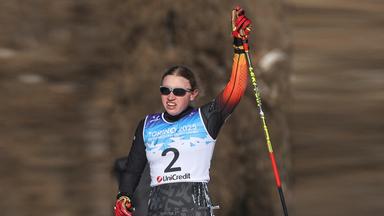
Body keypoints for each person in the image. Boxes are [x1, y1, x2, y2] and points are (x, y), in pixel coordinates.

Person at [114, 6, 252, 216]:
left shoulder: (205, 118)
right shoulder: (148, 125)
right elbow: (133, 169)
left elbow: (235, 89)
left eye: (178, 91)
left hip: (195, 210)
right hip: (159, 211)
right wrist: (124, 196)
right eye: (165, 90)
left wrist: (239, 48)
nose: (171, 96)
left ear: (193, 94)